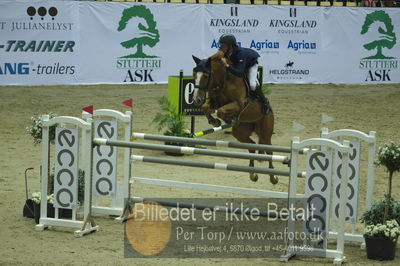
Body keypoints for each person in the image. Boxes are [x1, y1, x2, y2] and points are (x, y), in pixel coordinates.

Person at [218, 34, 270, 114]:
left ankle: (264, 102)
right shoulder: (225, 52)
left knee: (252, 85)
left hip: (250, 64)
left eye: (223, 46)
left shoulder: (241, 53)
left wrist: (227, 65)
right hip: (239, 64)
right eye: (220, 45)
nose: (220, 48)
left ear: (230, 46)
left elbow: (240, 73)